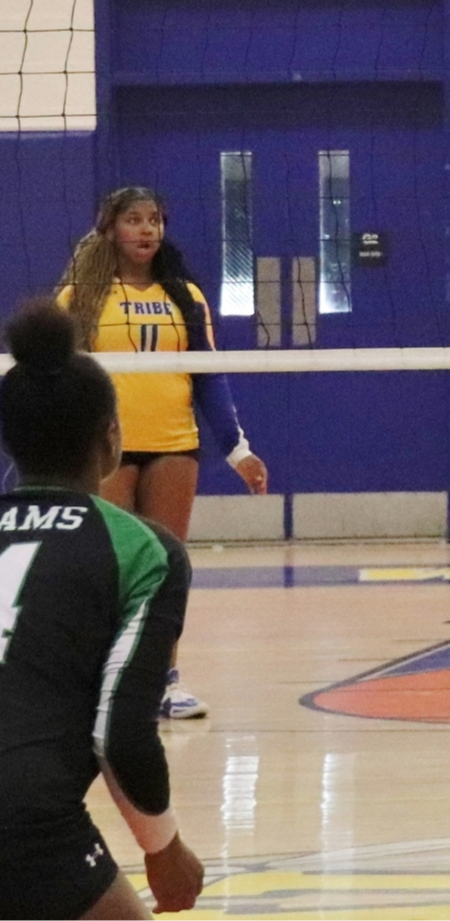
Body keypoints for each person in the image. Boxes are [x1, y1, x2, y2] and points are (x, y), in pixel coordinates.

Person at [0, 300, 205, 920]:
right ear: (111, 439)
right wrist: (164, 848)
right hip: (25, 814)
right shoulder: (143, 550)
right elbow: (119, 731)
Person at [56, 186, 268, 721]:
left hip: (174, 445)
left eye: (155, 220)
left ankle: (165, 679)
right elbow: (61, 380)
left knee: (165, 568)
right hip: (105, 449)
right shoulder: (78, 298)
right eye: (134, 220)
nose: (147, 230)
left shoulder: (185, 297)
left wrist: (237, 449)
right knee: (110, 571)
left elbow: (208, 377)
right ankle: (106, 677)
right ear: (109, 228)